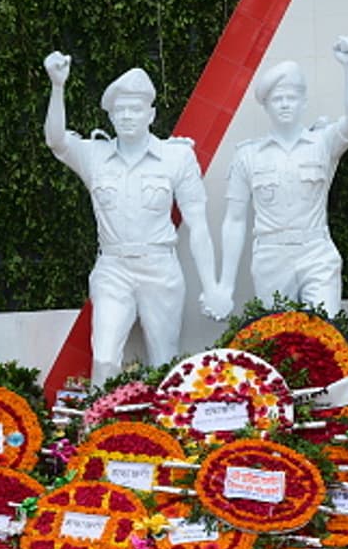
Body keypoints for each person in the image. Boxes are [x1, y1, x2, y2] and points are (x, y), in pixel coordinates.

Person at [43, 51, 220, 383]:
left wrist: (211, 287)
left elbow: (198, 225)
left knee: (165, 364)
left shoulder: (176, 157)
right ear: (110, 116)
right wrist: (57, 86)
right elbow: (56, 140)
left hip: (160, 269)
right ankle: (99, 429)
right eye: (119, 110)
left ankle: (164, 430)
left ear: (150, 114)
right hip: (113, 268)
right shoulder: (94, 156)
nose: (127, 116)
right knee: (106, 357)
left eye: (135, 109)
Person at [208, 36, 348, 319]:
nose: (284, 105)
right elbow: (234, 220)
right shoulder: (248, 156)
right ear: (266, 106)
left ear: (303, 102)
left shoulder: (323, 143)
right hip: (271, 256)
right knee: (277, 338)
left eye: (291, 98)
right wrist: (224, 285)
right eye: (277, 99)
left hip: (316, 251)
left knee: (325, 333)